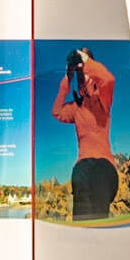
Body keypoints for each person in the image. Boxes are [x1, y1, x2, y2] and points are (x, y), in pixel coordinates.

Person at [52, 47, 118, 220]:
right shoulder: (76, 108)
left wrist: (85, 60)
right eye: (80, 72)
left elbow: (108, 79)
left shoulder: (103, 99)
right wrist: (68, 76)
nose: (83, 75)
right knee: (82, 218)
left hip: (104, 166)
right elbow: (57, 111)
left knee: (98, 217)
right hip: (83, 167)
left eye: (86, 70)